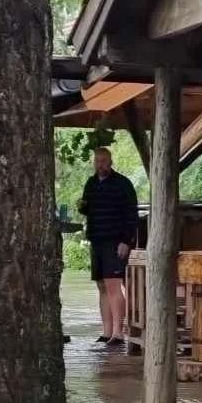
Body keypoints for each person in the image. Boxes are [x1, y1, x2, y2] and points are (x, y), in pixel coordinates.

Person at [77, 147, 138, 347]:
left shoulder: (123, 184)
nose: (100, 164)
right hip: (97, 240)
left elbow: (131, 215)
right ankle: (106, 332)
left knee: (113, 285)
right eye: (97, 160)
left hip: (115, 241)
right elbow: (88, 208)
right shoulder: (91, 183)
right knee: (102, 286)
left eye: (103, 160)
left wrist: (126, 241)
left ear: (111, 162)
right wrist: (82, 206)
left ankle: (119, 333)